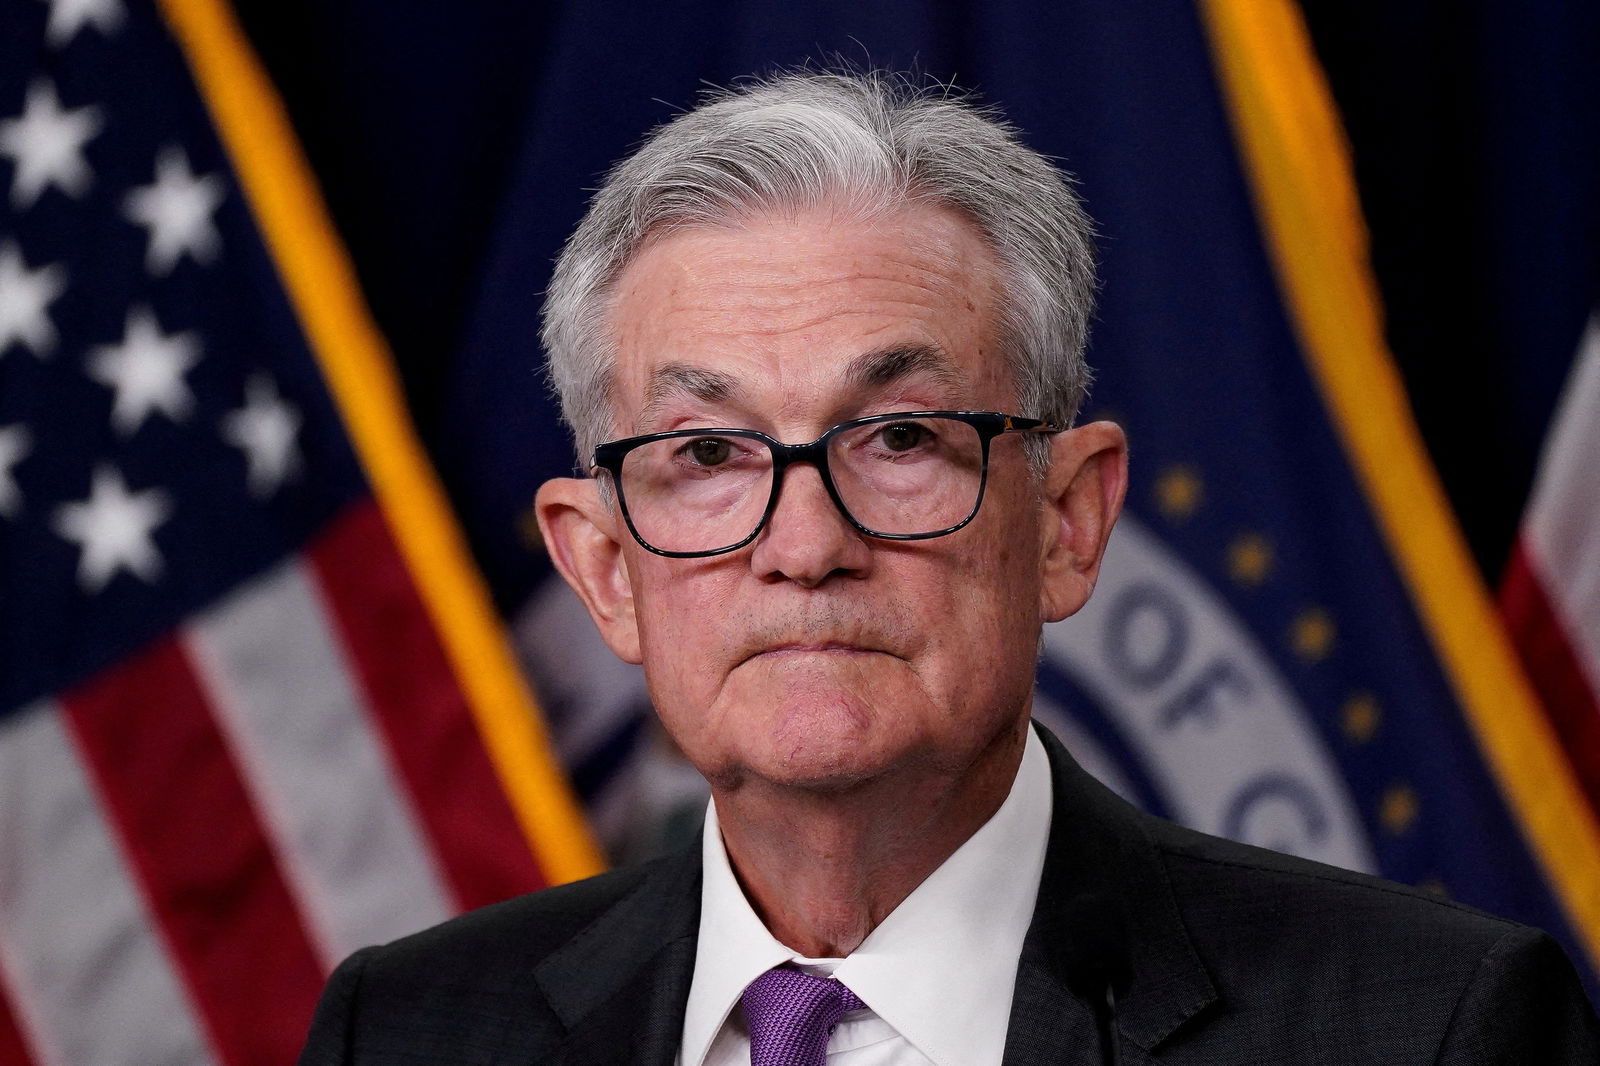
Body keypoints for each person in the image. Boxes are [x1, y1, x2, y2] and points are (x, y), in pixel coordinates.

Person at [298, 70, 1599, 1065]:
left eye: (902, 437)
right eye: (706, 450)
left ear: (1070, 520)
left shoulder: (1427, 1030)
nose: (803, 547)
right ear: (603, 570)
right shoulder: (408, 1028)